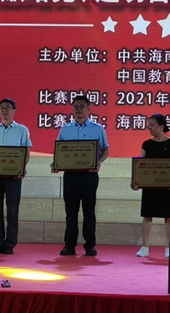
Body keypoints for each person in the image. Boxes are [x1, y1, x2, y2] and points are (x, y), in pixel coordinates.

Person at [52, 95, 109, 257]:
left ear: (88, 109)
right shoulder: (65, 129)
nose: (79, 109)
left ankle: (90, 245)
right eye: (76, 106)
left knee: (89, 212)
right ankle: (69, 245)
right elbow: (60, 151)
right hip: (70, 176)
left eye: (82, 106)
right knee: (71, 212)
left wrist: (98, 162)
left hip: (89, 176)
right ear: (72, 109)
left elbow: (105, 150)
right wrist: (55, 163)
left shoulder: (98, 128)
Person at [0, 98, 32, 255]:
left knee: (12, 211)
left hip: (13, 177)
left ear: (14, 111)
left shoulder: (22, 130)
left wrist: (22, 169)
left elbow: (26, 152)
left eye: (8, 107)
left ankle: (9, 244)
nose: (5, 110)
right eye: (2, 108)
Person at [133, 114, 170, 259]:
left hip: (168, 186)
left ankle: (169, 248)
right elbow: (140, 166)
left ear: (161, 126)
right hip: (150, 186)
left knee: (168, 217)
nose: (150, 128)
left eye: (152, 125)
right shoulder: (147, 144)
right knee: (147, 215)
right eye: (149, 125)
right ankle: (145, 247)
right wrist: (137, 182)